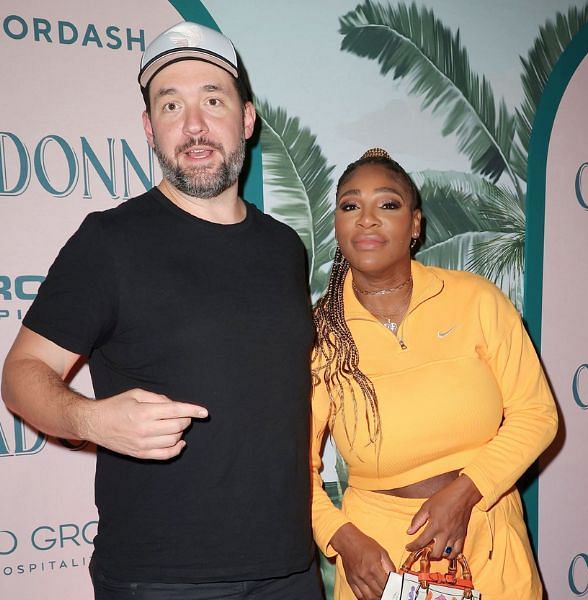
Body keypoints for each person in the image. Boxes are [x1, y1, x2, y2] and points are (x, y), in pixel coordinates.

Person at [0, 22, 321, 599]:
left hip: (290, 571)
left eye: (212, 100)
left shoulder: (284, 247)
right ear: (150, 129)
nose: (193, 125)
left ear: (246, 119)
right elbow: (21, 376)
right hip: (162, 579)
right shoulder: (109, 242)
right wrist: (90, 419)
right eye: (171, 105)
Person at [309, 148, 558, 600]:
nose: (366, 219)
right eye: (350, 206)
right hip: (379, 566)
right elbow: (291, 467)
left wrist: (466, 493)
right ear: (337, 225)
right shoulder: (320, 334)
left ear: (416, 224)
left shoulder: (476, 300)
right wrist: (343, 539)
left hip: (490, 544)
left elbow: (537, 414)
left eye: (387, 204)